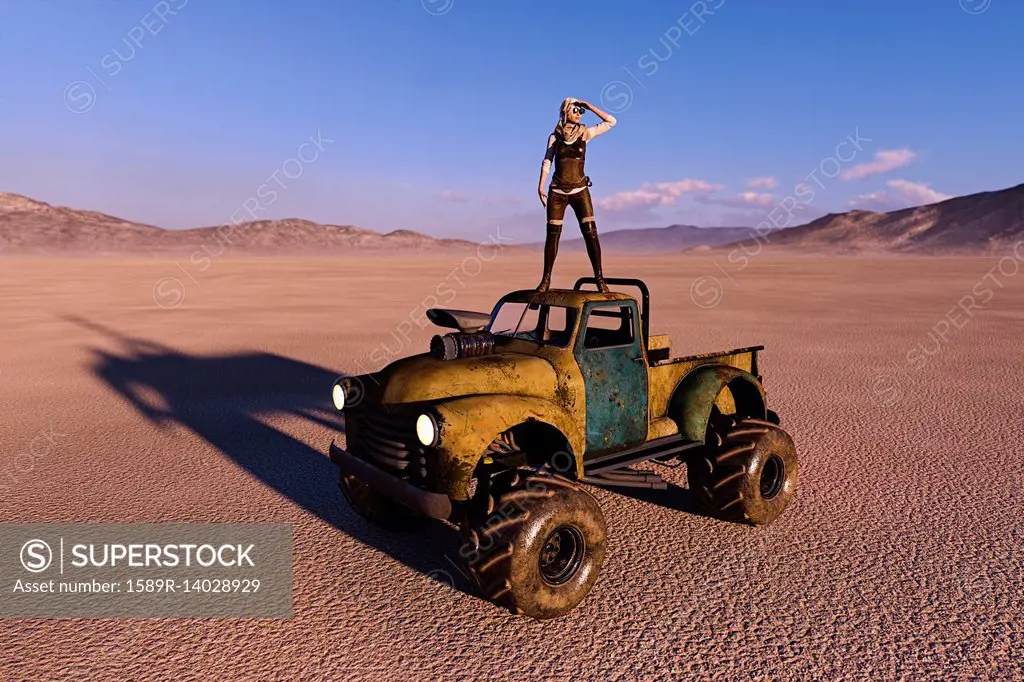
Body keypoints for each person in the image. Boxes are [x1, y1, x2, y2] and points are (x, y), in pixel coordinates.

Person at [536, 97, 617, 293]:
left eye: (581, 112)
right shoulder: (554, 137)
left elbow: (611, 122)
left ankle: (600, 280)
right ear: (565, 111)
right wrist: (540, 186)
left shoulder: (585, 133)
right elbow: (547, 161)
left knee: (590, 234)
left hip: (580, 191)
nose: (579, 114)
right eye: (575, 110)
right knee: (552, 236)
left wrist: (588, 105)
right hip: (557, 191)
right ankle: (545, 281)